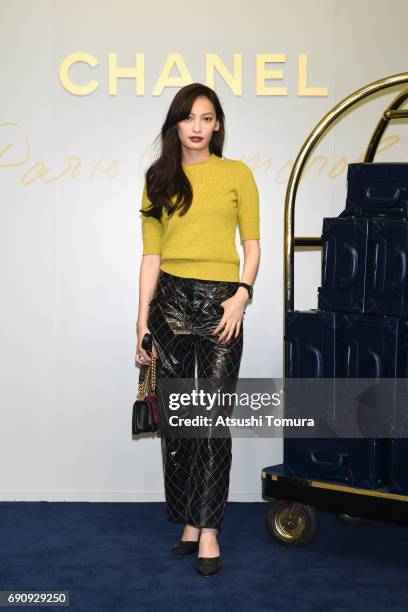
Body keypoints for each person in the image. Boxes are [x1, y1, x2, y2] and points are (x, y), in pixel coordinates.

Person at [135, 83, 261, 576]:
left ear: (218, 125)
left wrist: (241, 296)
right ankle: (190, 521)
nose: (197, 126)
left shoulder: (237, 174)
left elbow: (252, 244)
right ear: (176, 124)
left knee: (210, 420)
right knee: (180, 424)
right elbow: (151, 256)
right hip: (168, 302)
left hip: (220, 304)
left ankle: (209, 531)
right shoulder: (158, 177)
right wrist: (142, 319)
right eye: (188, 118)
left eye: (206, 118)